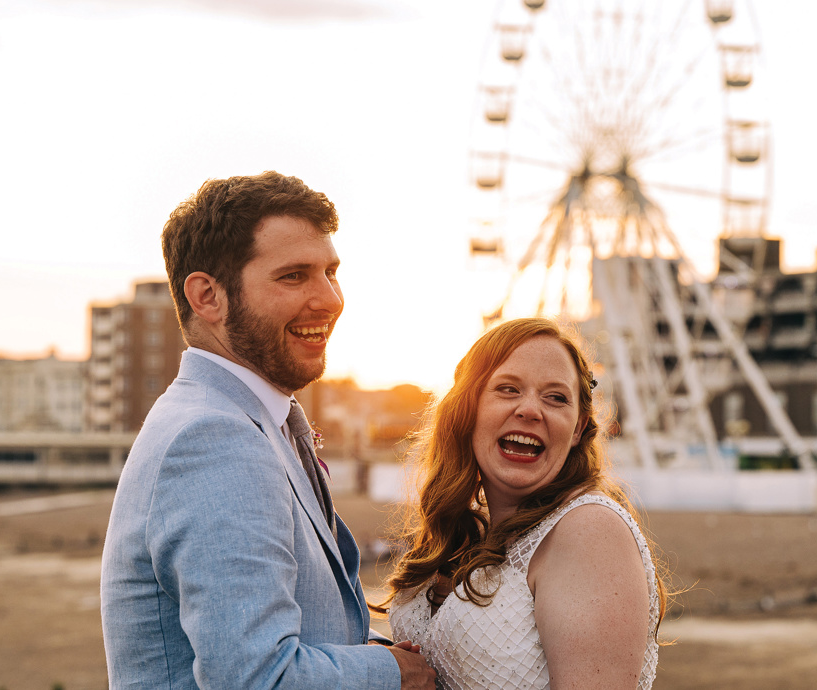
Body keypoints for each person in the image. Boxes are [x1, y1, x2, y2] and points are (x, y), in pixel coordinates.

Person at [101, 171, 434, 689]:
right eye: (294, 276)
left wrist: (367, 648)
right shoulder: (213, 439)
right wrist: (395, 673)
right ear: (208, 296)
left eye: (331, 271)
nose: (330, 299)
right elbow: (258, 678)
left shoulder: (250, 421)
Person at [379, 318, 666, 690]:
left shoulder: (589, 531)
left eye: (556, 397)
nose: (530, 409)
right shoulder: (468, 535)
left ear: (578, 428)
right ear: (469, 408)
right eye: (508, 389)